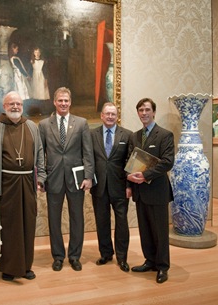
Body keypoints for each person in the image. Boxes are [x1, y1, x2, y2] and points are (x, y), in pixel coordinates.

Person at [0, 91, 46, 281]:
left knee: (27, 224)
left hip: (27, 183)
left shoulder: (31, 127)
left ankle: (25, 266)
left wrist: (40, 178)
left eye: (18, 103)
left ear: (22, 105)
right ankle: (8, 267)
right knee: (7, 226)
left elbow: (40, 154)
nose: (15, 107)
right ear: (4, 106)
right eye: (11, 104)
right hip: (5, 185)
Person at [38, 87, 94, 272]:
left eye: (66, 101)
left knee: (77, 218)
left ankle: (75, 256)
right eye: (60, 100)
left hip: (76, 179)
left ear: (70, 102)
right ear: (54, 102)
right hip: (53, 179)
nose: (63, 103)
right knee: (54, 220)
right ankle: (58, 256)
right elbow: (40, 154)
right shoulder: (45, 124)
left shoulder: (81, 123)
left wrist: (88, 176)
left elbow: (88, 152)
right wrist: (41, 177)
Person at [127, 98, 174, 284]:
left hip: (157, 191)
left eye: (147, 109)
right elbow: (130, 161)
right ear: (138, 113)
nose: (144, 113)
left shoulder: (165, 135)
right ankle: (150, 261)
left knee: (160, 231)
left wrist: (145, 175)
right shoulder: (135, 136)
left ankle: (162, 267)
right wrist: (129, 180)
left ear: (154, 112)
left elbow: (167, 162)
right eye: (140, 110)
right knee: (145, 229)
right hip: (140, 192)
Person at [90, 102, 132, 272]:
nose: (110, 116)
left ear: (117, 116)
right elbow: (88, 159)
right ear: (102, 115)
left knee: (122, 223)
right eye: (107, 113)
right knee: (102, 222)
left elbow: (131, 163)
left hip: (120, 187)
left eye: (113, 114)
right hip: (98, 187)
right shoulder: (92, 134)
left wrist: (130, 186)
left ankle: (122, 258)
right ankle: (106, 253)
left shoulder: (127, 135)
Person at [30, 47, 50, 114]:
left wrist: (46, 80)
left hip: (41, 78)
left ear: (40, 53)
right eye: (35, 52)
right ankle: (35, 111)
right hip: (34, 78)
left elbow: (46, 71)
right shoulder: (32, 61)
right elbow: (30, 70)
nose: (37, 54)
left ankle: (42, 111)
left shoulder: (43, 61)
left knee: (42, 94)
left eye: (38, 52)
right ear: (33, 53)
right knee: (35, 94)